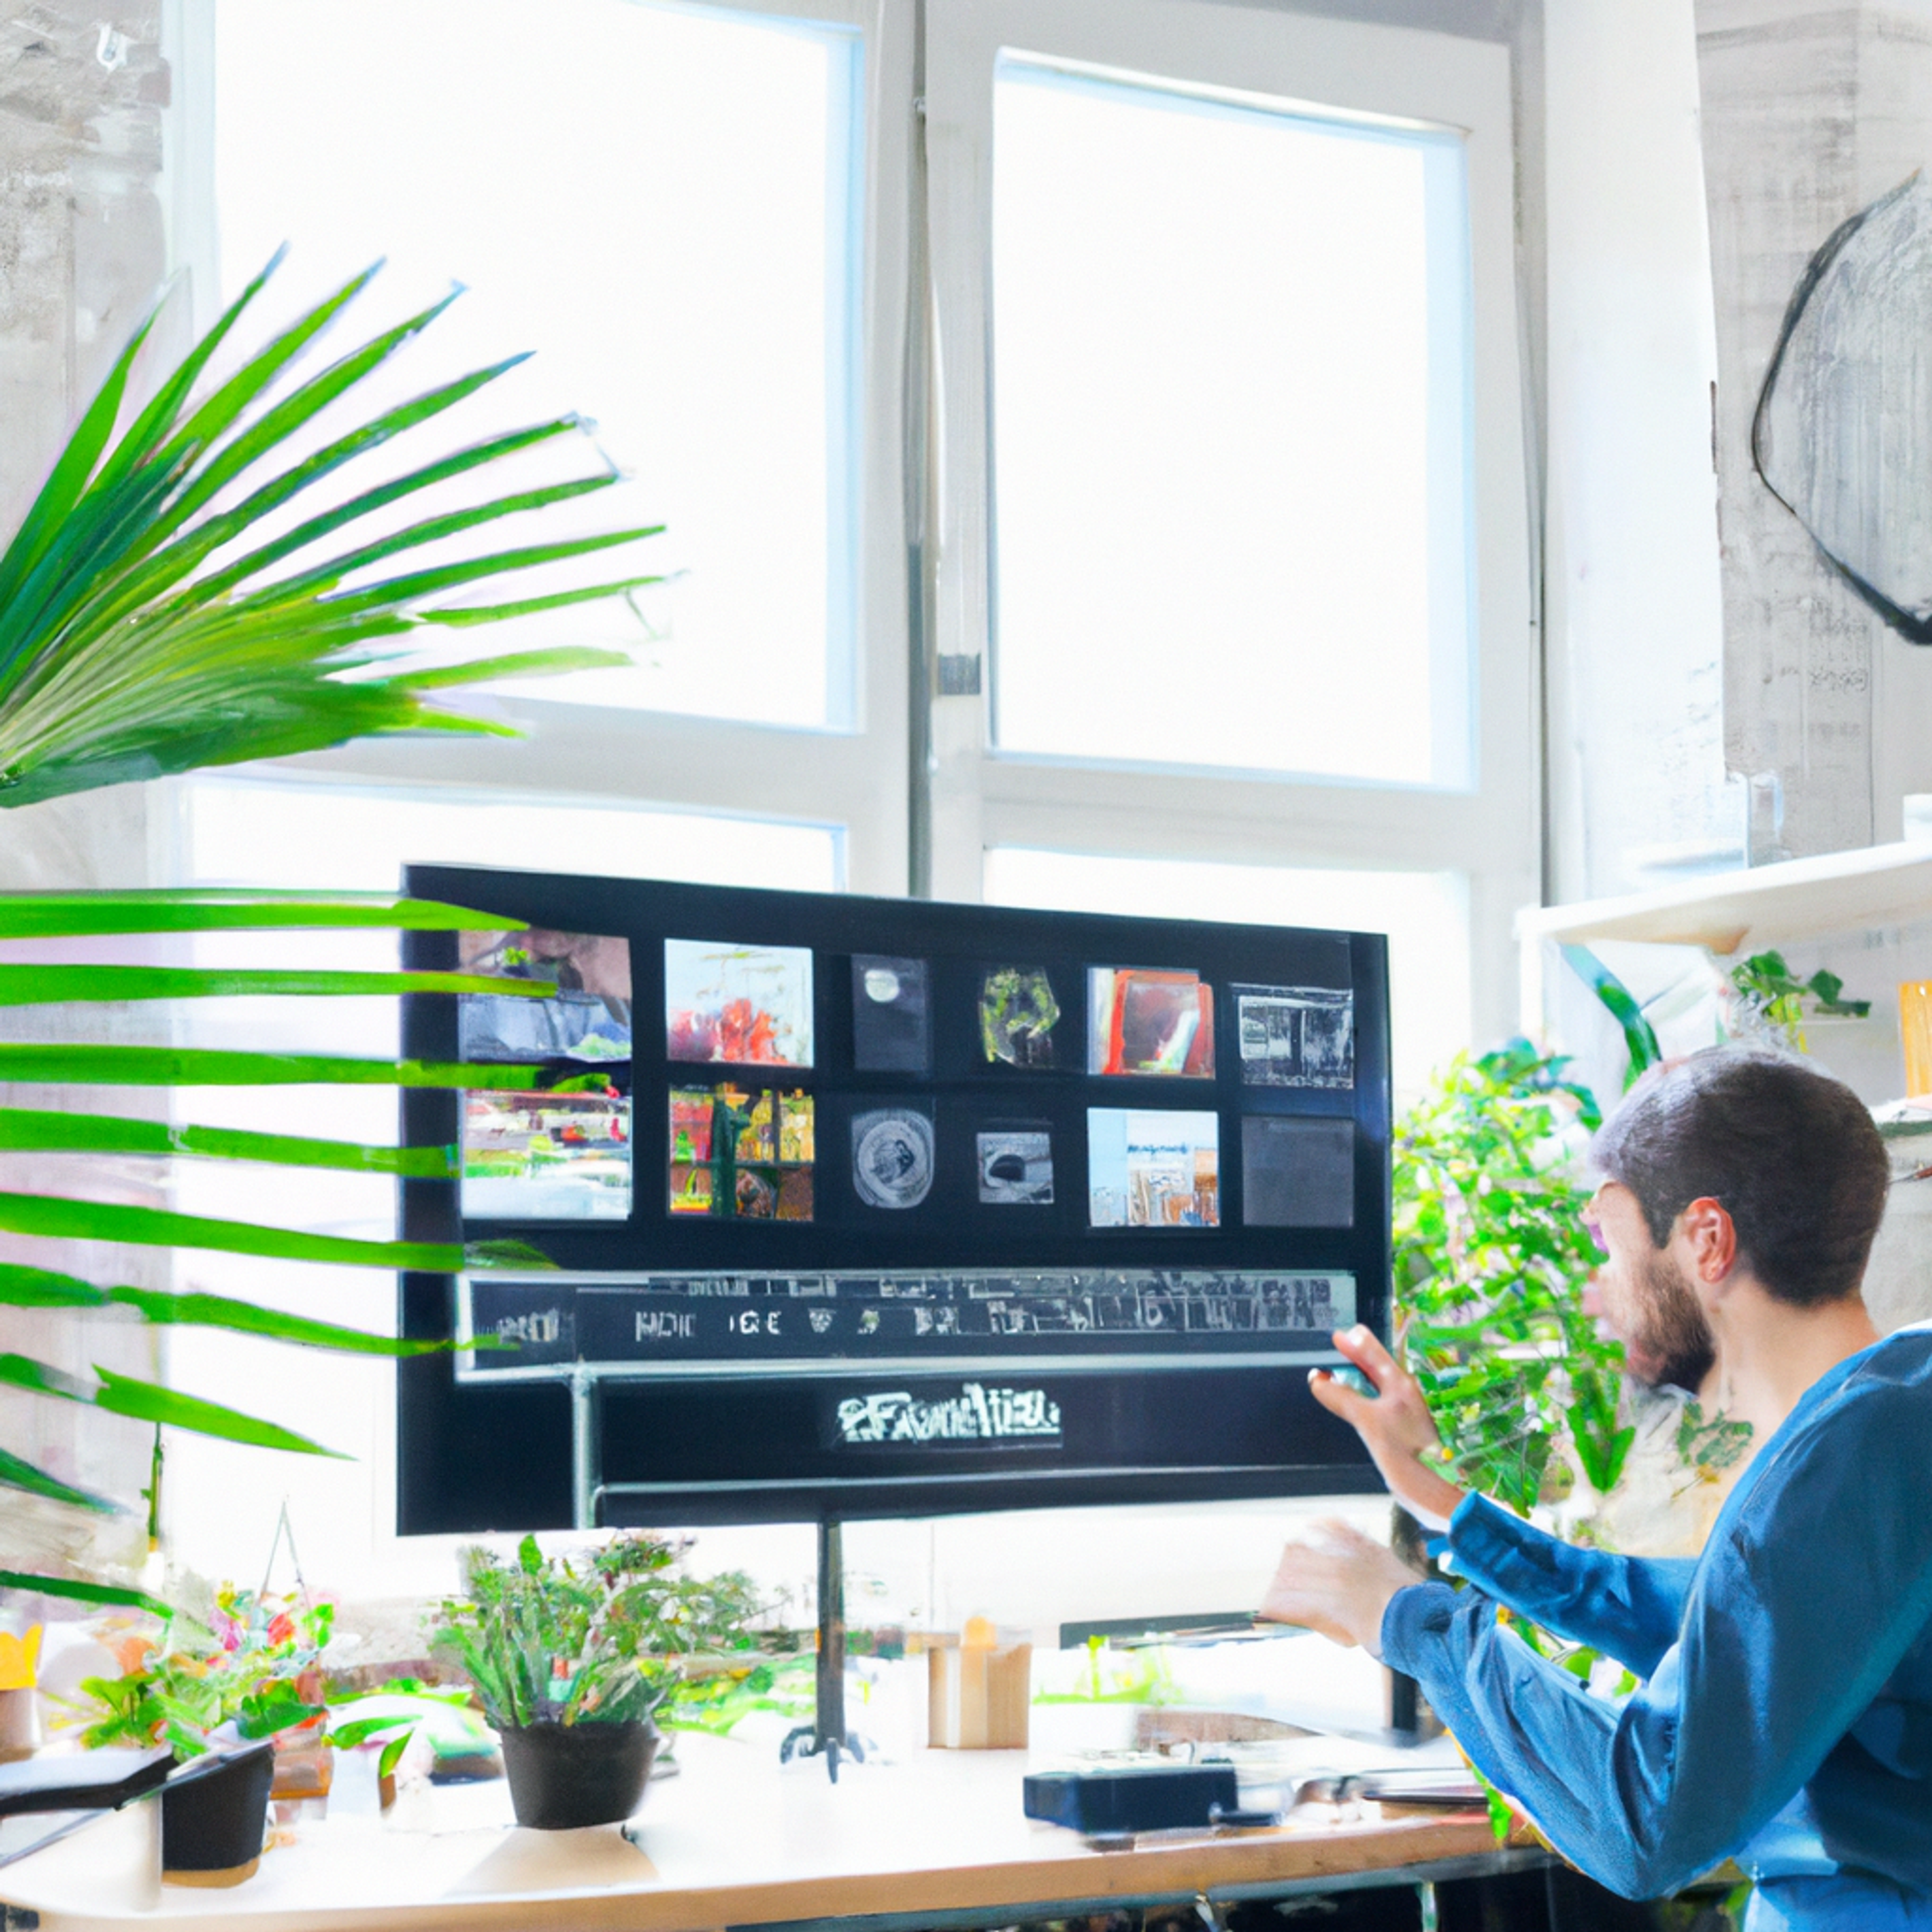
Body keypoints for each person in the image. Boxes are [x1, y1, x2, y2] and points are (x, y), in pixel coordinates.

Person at [1259, 1048, 1932, 1930]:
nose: (1594, 1293)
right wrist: (1448, 1510)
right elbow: (1730, 1625)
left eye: (1610, 1246)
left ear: (1707, 1240)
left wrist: (1405, 1620)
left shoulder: (1841, 1465)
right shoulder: (1898, 1408)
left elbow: (1645, 1825)